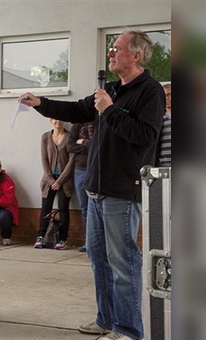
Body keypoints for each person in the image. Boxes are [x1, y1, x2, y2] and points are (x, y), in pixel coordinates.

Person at [19, 29, 164, 340]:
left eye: (117, 48)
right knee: (99, 258)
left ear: (136, 56)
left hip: (122, 192)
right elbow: (74, 110)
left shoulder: (149, 91)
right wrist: (40, 102)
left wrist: (108, 110)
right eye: (111, 48)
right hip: (95, 189)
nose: (111, 52)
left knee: (122, 261)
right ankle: (106, 320)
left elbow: (145, 136)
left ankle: (128, 330)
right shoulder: (111, 88)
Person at [34, 119, 75, 250]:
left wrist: (60, 181)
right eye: (54, 119)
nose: (58, 121)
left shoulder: (70, 136)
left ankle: (63, 239)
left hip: (65, 180)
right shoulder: (45, 137)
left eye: (60, 119)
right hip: (48, 180)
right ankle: (40, 236)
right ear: (51, 121)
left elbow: (72, 160)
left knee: (63, 209)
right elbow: (44, 159)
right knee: (45, 207)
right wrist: (52, 181)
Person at [67, 122, 94, 252]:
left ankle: (100, 243)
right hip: (80, 171)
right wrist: (90, 147)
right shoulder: (76, 126)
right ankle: (89, 242)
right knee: (85, 208)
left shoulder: (99, 122)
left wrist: (83, 142)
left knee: (99, 208)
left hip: (96, 171)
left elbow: (101, 146)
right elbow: (70, 146)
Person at [157, 83, 171, 166]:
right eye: (164, 95)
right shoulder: (157, 118)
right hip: (163, 165)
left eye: (169, 95)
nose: (166, 98)